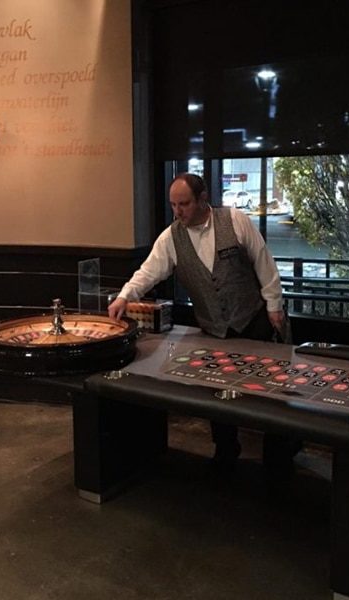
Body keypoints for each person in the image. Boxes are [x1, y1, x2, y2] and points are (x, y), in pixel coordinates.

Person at [108, 173, 300, 471]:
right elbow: (148, 272)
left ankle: (279, 456)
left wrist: (274, 306)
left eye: (183, 204)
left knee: (269, 395)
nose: (177, 211)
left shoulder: (235, 220)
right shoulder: (172, 237)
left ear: (202, 199)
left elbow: (264, 263)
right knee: (218, 394)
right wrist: (124, 296)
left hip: (254, 320)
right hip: (214, 328)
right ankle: (226, 451)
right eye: (173, 205)